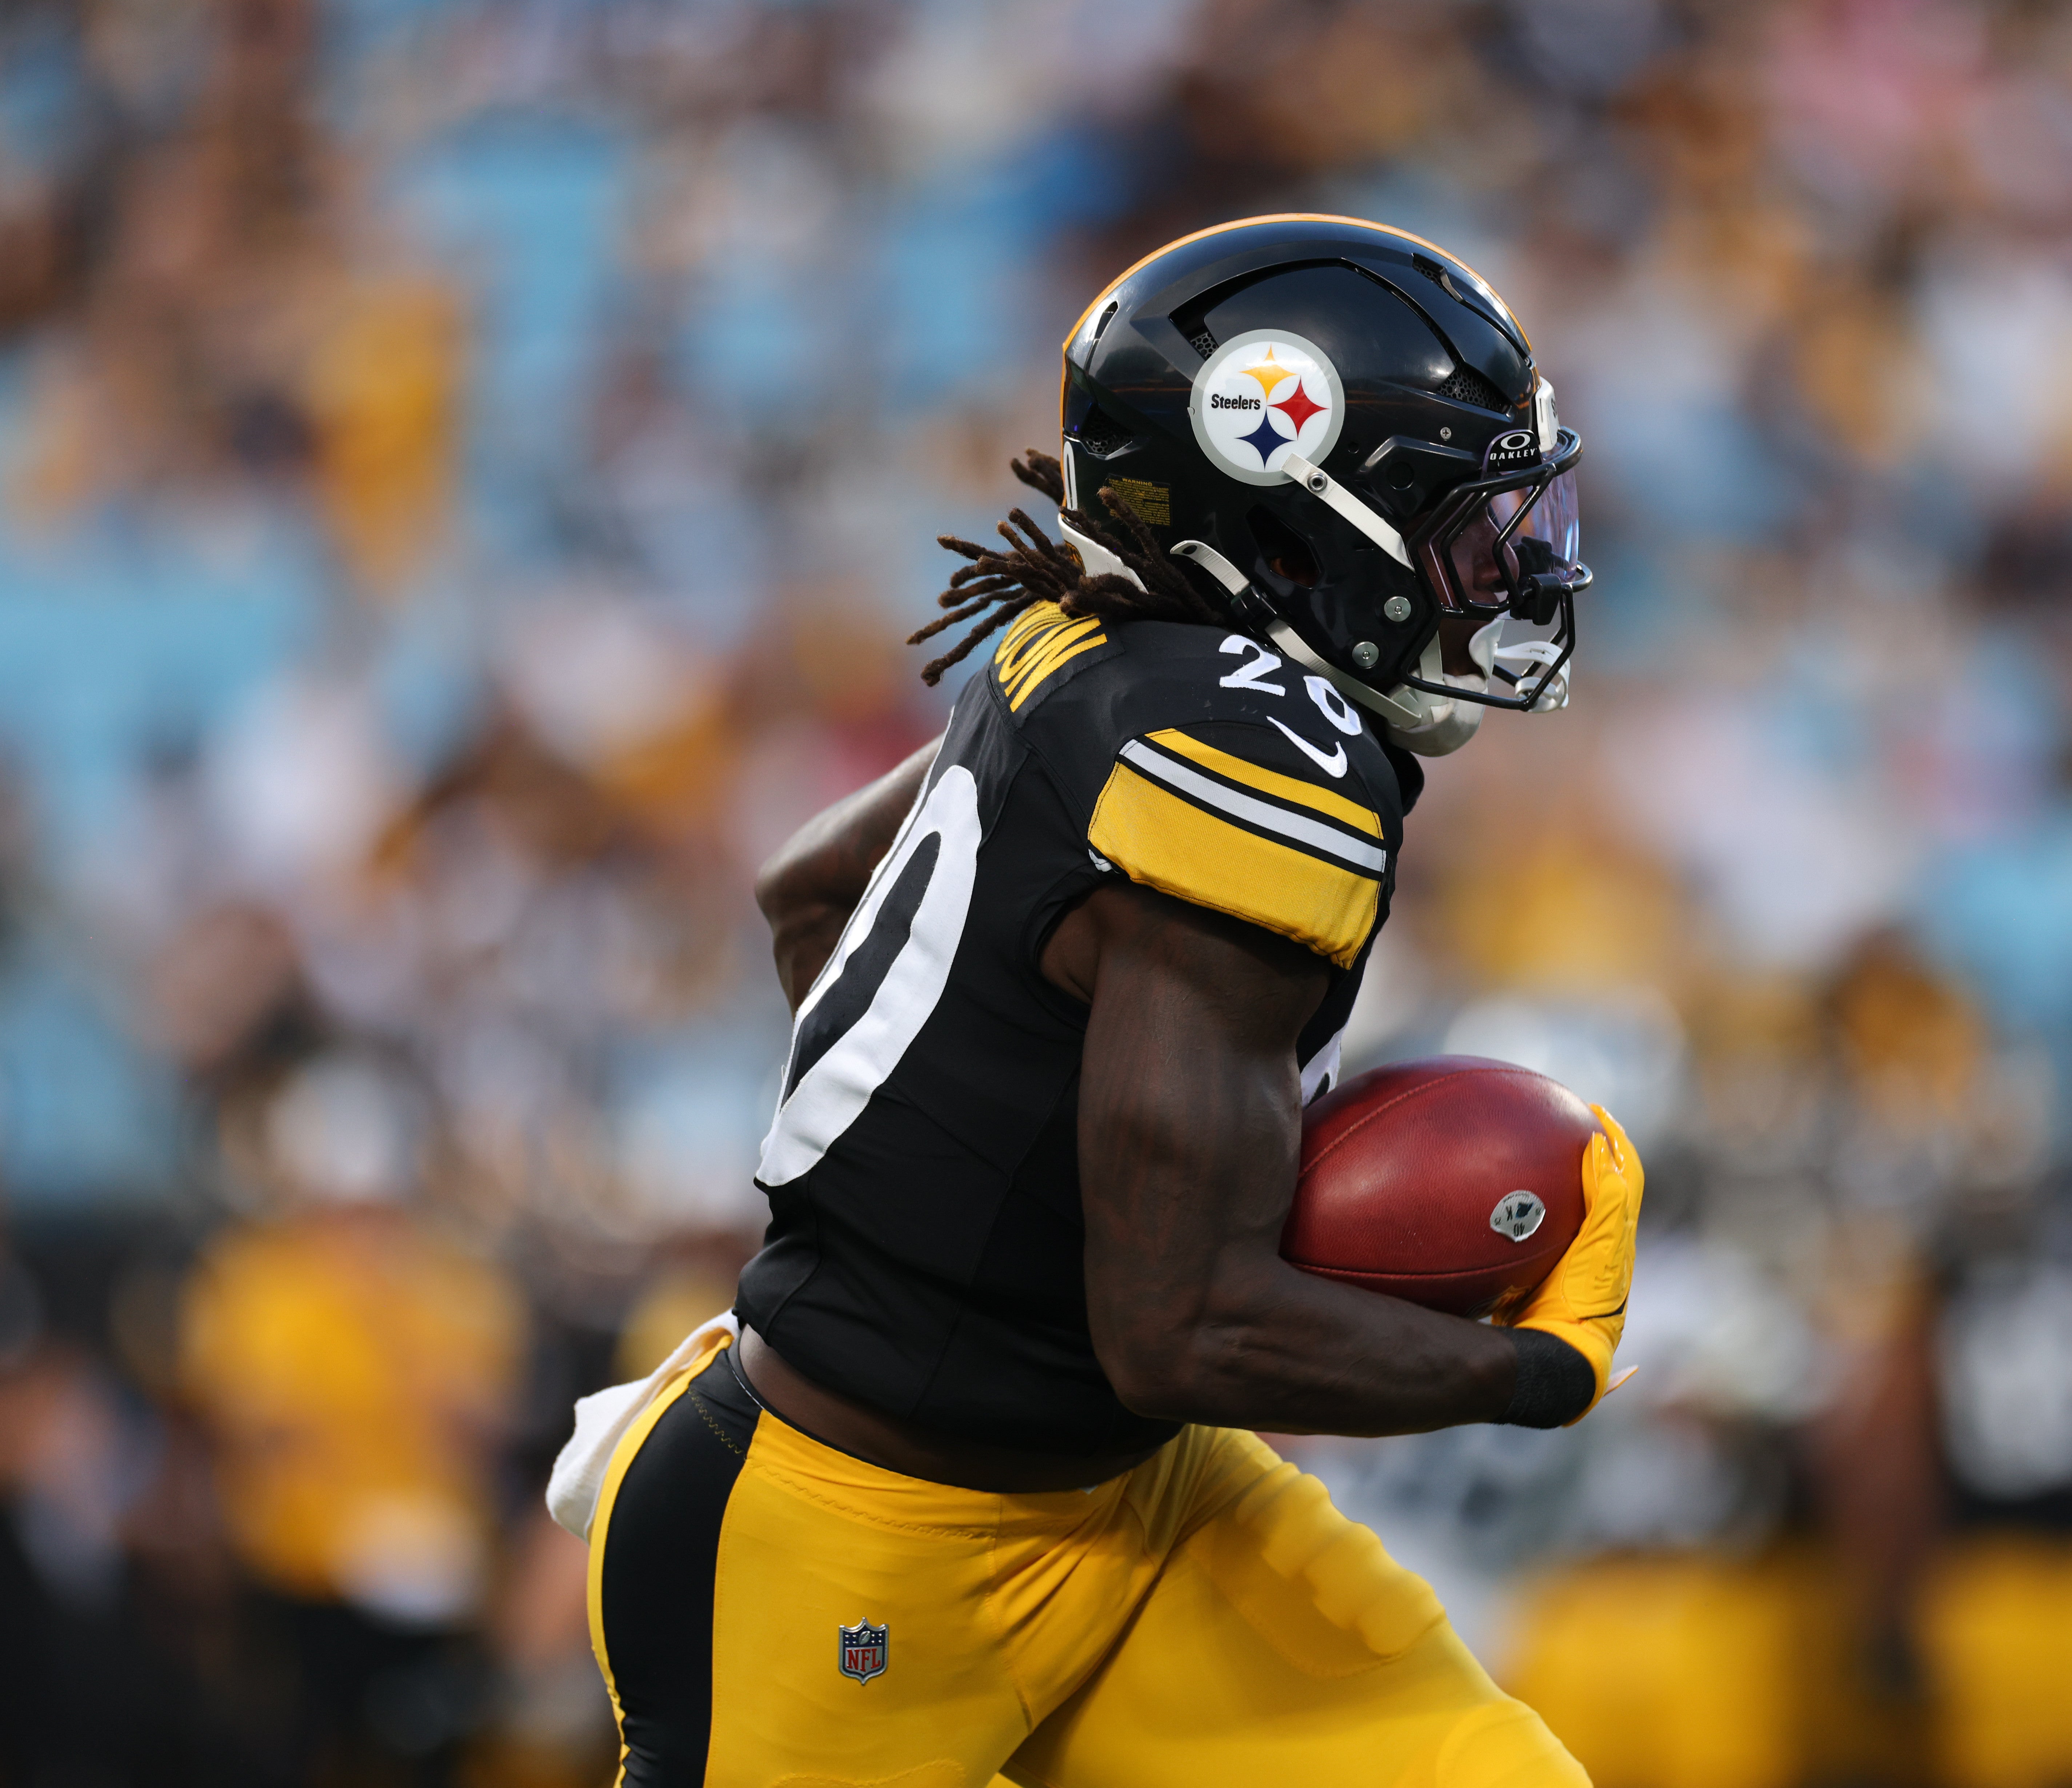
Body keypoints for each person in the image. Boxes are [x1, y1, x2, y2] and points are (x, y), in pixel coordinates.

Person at [565, 215, 1640, 1786]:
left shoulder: (1093, 646)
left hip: (1123, 1502)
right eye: (1469, 530)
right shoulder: (1254, 761)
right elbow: (1177, 1328)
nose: (1515, 570)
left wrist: (959, 1216)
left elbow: (809, 889)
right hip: (852, 1547)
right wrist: (1541, 1369)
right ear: (1302, 525)